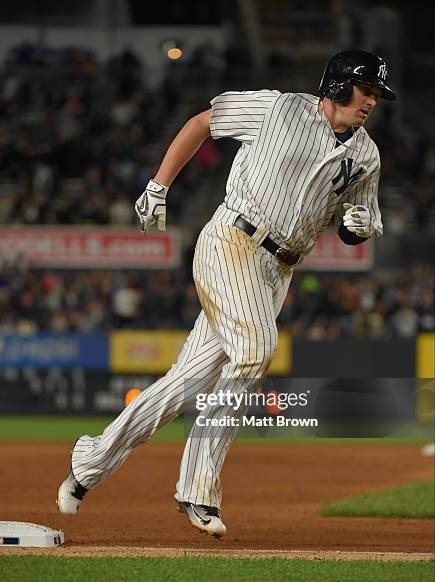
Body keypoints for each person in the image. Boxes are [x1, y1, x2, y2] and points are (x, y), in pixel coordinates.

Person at [57, 50, 396, 537]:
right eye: (367, 91)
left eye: (377, 96)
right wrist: (158, 185)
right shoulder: (279, 109)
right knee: (256, 350)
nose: (372, 103)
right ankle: (197, 489)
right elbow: (203, 122)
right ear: (339, 85)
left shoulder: (366, 155)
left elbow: (355, 227)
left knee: (181, 386)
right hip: (232, 240)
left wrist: (357, 228)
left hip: (278, 271)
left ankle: (90, 461)